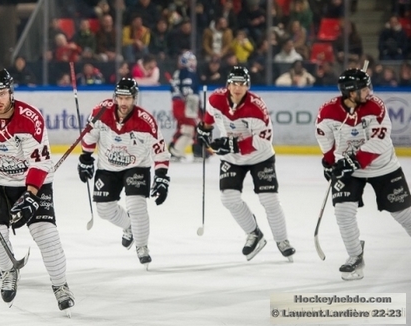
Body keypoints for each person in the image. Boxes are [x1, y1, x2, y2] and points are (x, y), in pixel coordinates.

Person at [0, 69, 74, 312]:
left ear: (11, 91)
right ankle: (8, 269)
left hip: (31, 181)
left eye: (2, 93)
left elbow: (40, 162)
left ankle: (60, 285)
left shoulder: (30, 118)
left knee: (46, 235)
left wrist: (31, 195)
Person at [315, 68, 411, 281]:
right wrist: (329, 163)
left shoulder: (376, 106)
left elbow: (379, 141)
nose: (370, 91)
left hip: (383, 167)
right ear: (351, 92)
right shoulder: (328, 112)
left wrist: (353, 161)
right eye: (365, 89)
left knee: (403, 214)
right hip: (349, 169)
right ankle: (355, 255)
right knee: (343, 212)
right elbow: (326, 140)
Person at [196, 66, 296, 262]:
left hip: (260, 157)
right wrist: (203, 131)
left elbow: (263, 140)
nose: (237, 88)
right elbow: (208, 120)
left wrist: (232, 144)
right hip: (232, 159)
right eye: (234, 83)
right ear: (228, 85)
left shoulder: (256, 106)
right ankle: (254, 233)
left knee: (269, 200)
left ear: (247, 86)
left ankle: (282, 240)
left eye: (242, 84)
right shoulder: (215, 99)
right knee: (229, 199)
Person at [77, 78, 170, 268]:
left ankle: (142, 246)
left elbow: (160, 150)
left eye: (128, 98)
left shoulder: (146, 121)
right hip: (107, 167)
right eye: (120, 97)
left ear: (135, 98)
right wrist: (85, 158)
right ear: (115, 97)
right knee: (104, 209)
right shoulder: (100, 112)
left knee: (136, 206)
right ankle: (129, 226)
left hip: (137, 166)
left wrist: (161, 176)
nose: (123, 102)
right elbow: (89, 136)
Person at [168, 51, 206, 162]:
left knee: (186, 128)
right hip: (187, 103)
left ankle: (175, 151)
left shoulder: (177, 72)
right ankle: (177, 151)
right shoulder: (189, 72)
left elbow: (173, 89)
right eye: (191, 60)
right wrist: (197, 106)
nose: (194, 63)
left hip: (178, 103)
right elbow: (189, 91)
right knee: (190, 128)